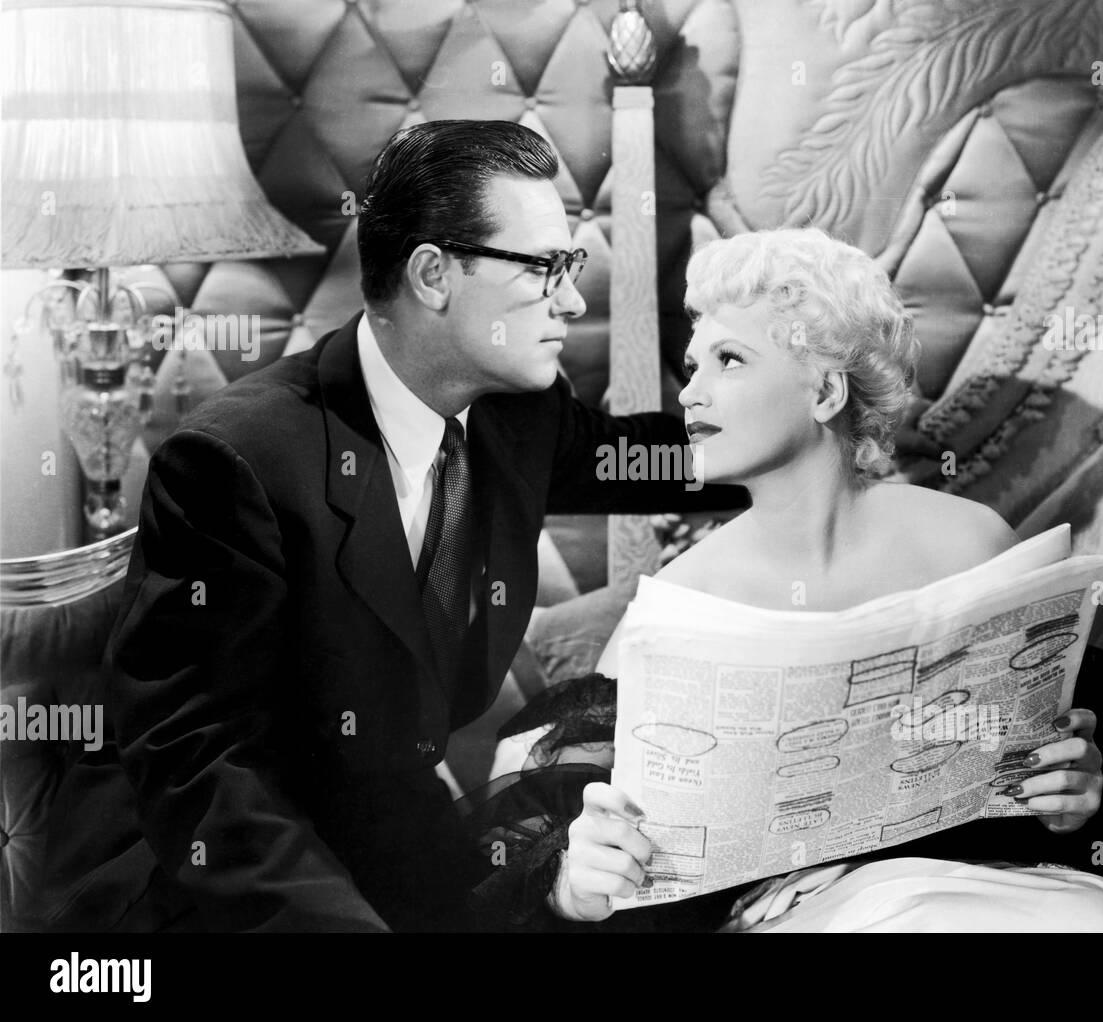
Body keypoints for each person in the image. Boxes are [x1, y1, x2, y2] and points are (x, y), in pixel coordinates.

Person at [38, 120, 743, 933]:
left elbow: (640, 458)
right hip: (197, 874)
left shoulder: (518, 415)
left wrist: (793, 431)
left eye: (572, 266)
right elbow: (199, 765)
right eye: (546, 268)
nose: (573, 300)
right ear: (434, 274)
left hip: (380, 827)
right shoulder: (234, 464)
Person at [470, 228, 1103, 933]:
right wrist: (577, 881)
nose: (690, 393)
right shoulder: (678, 606)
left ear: (825, 392)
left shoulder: (972, 541)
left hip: (1015, 891)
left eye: (728, 360)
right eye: (692, 366)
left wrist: (1078, 793)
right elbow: (576, 859)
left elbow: (1088, 786)